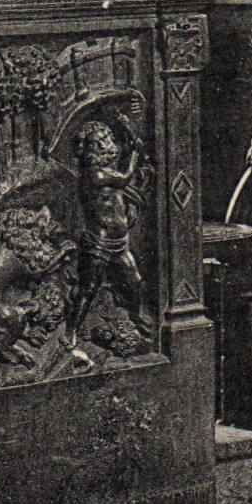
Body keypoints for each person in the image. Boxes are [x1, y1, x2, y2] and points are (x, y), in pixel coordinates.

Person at [66, 120, 147, 360]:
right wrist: (136, 154)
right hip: (99, 242)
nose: (107, 145)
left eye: (107, 139)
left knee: (135, 280)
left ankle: (136, 325)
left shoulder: (105, 168)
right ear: (91, 150)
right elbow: (124, 177)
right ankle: (70, 332)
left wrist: (131, 135)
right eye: (100, 143)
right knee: (88, 288)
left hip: (118, 240)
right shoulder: (96, 173)